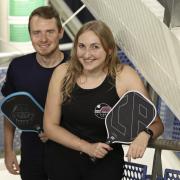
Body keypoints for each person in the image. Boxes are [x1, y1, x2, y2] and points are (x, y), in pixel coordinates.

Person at [43, 20, 164, 180]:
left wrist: (145, 133)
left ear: (109, 50)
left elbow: (156, 123)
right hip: (62, 165)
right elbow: (50, 127)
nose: (87, 54)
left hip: (105, 168)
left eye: (95, 47)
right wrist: (87, 147)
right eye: (82, 46)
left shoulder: (124, 77)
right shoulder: (63, 73)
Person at [1, 6, 68, 180]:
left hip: (69, 158)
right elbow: (11, 111)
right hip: (31, 156)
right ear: (30, 34)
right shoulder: (18, 67)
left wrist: (57, 130)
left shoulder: (76, 68)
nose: (43, 39)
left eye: (50, 32)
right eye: (36, 32)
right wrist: (9, 150)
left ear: (61, 32)